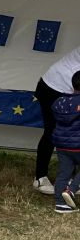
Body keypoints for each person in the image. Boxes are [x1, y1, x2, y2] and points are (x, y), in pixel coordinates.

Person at [33, 46, 80, 196]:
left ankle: (71, 179)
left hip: (71, 90)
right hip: (52, 88)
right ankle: (40, 177)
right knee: (53, 131)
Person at [50, 71, 80, 213]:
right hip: (78, 145)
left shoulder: (60, 101)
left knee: (63, 173)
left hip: (62, 145)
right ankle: (72, 190)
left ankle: (61, 204)